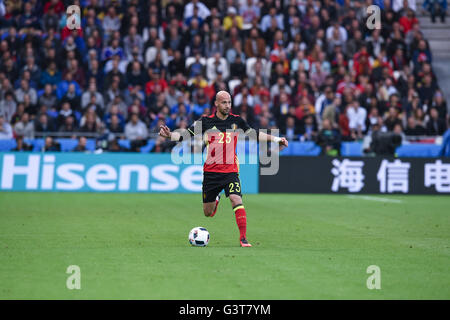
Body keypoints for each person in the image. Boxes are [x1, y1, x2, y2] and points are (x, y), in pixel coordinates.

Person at [159, 91, 288, 247]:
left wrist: (276, 139)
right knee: (208, 213)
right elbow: (184, 136)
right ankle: (217, 198)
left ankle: (243, 238)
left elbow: (254, 134)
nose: (227, 105)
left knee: (236, 199)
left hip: (230, 170)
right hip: (211, 173)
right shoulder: (205, 121)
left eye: (229, 102)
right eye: (224, 102)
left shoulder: (237, 121)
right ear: (216, 104)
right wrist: (169, 135)